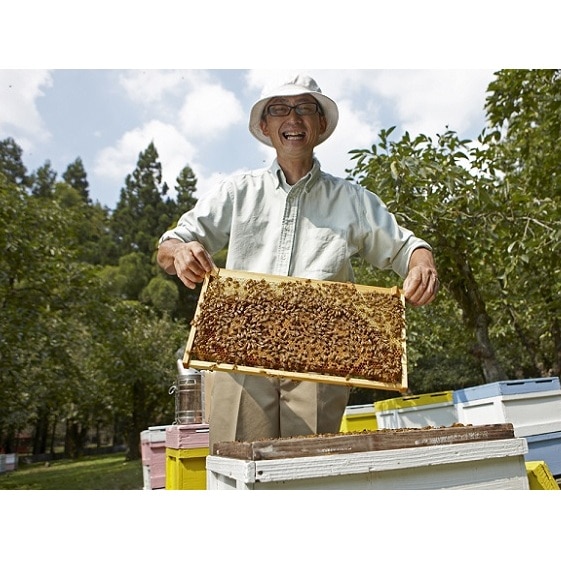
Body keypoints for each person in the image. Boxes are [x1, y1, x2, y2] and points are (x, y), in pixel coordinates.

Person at [157, 74, 439, 451]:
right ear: (264, 125)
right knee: (240, 468)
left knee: (307, 473)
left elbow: (408, 248)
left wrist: (422, 265)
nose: (293, 119)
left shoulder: (352, 200)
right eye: (280, 109)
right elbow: (170, 243)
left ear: (321, 124)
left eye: (306, 108)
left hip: (319, 365)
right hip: (238, 358)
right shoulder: (237, 191)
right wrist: (180, 253)